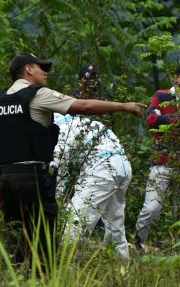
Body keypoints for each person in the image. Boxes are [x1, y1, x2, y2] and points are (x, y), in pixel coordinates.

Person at [0, 53, 143, 272]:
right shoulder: (38, 94)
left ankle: (8, 281)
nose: (45, 72)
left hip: (8, 179)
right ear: (29, 69)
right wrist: (123, 106)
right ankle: (47, 284)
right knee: (45, 245)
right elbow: (84, 107)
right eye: (41, 68)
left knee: (15, 238)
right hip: (33, 178)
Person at [134, 60, 180, 251]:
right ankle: (139, 242)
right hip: (162, 161)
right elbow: (151, 119)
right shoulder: (161, 95)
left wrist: (166, 121)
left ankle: (176, 248)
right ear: (177, 77)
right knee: (152, 207)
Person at [53, 109, 133, 259]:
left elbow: (59, 170)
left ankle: (67, 263)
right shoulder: (83, 123)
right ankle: (121, 263)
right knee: (115, 222)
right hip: (123, 166)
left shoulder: (62, 130)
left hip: (103, 170)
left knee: (74, 220)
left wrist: (56, 200)